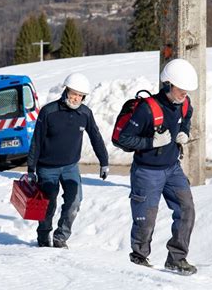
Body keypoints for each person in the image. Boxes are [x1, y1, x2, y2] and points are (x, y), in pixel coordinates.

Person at [117, 58, 198, 275]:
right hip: (146, 172)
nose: (185, 94)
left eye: (188, 90)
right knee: (146, 220)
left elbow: (187, 117)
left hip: (172, 168)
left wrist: (185, 132)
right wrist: (151, 143)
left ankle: (176, 258)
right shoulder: (147, 109)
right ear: (168, 84)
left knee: (187, 209)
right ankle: (139, 260)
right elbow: (124, 139)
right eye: (181, 89)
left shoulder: (185, 103)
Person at [27, 72, 109, 249]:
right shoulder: (49, 111)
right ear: (66, 90)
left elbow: (95, 136)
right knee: (48, 204)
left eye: (80, 96)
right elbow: (37, 140)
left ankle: (60, 237)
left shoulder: (85, 113)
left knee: (75, 201)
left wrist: (104, 162)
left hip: (70, 167)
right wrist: (31, 169)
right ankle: (43, 236)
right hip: (47, 168)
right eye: (74, 93)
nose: (76, 98)